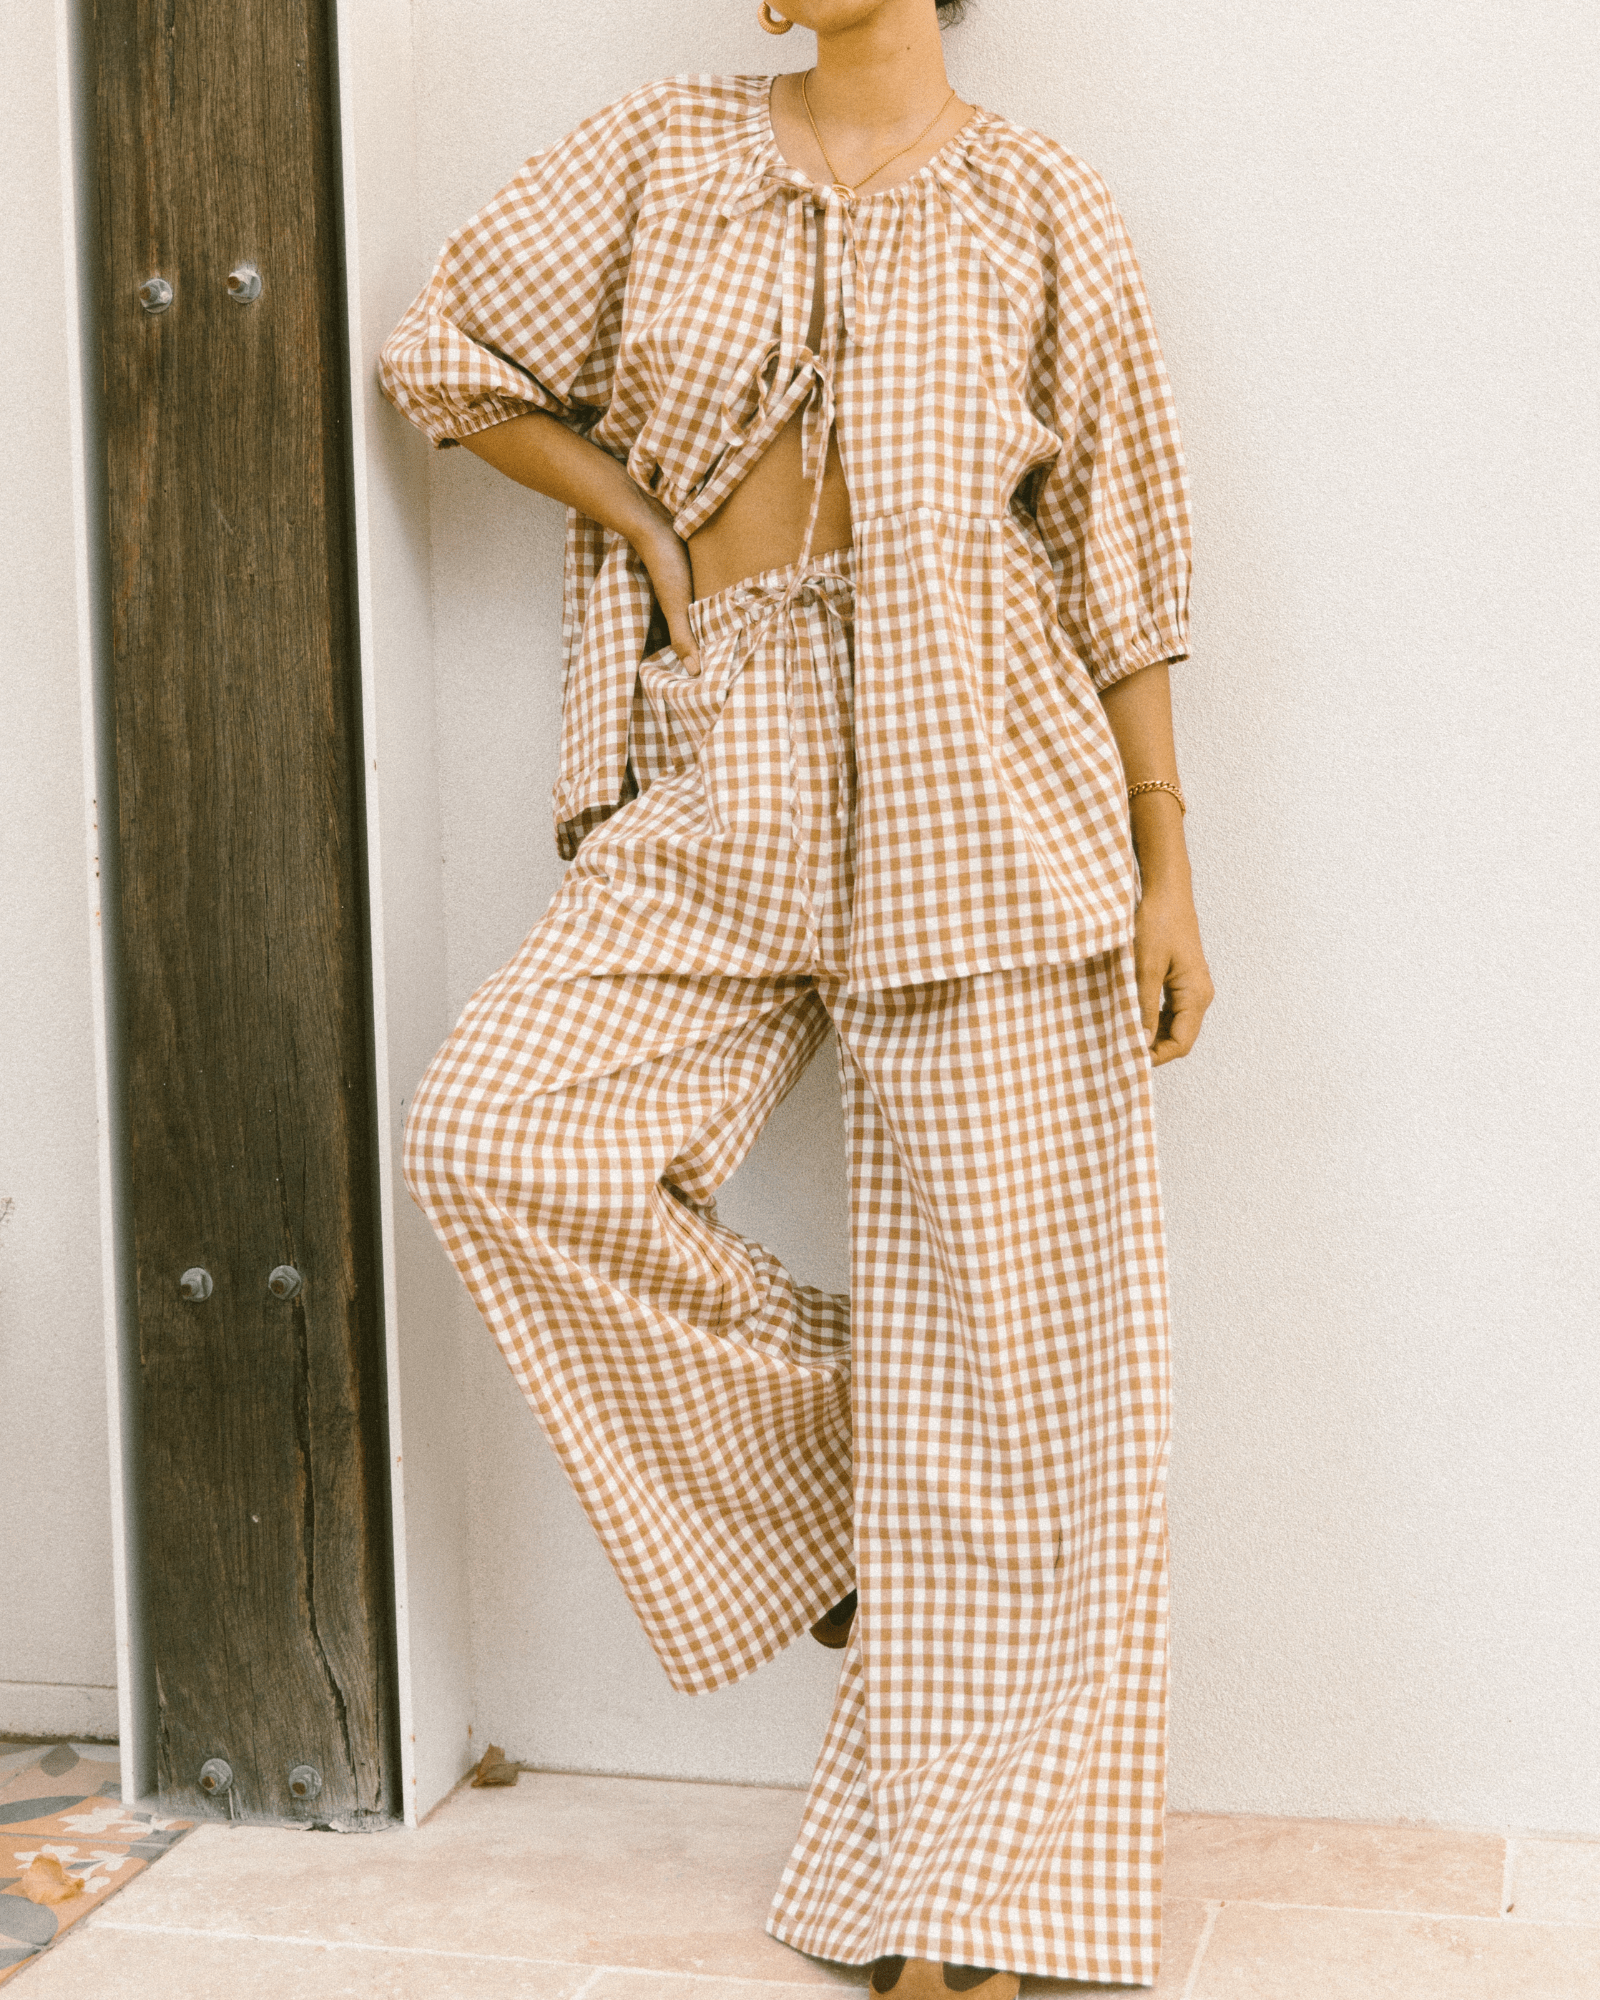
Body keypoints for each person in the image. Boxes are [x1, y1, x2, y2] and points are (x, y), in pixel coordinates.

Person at [378, 1, 1212, 1991]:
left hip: (987, 763)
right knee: (497, 1136)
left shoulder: (1040, 201)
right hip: (731, 738)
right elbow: (443, 356)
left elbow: (1120, 554)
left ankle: (981, 1906)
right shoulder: (659, 154)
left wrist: (1168, 859)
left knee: (1012, 1340)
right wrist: (634, 512)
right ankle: (858, 1487)